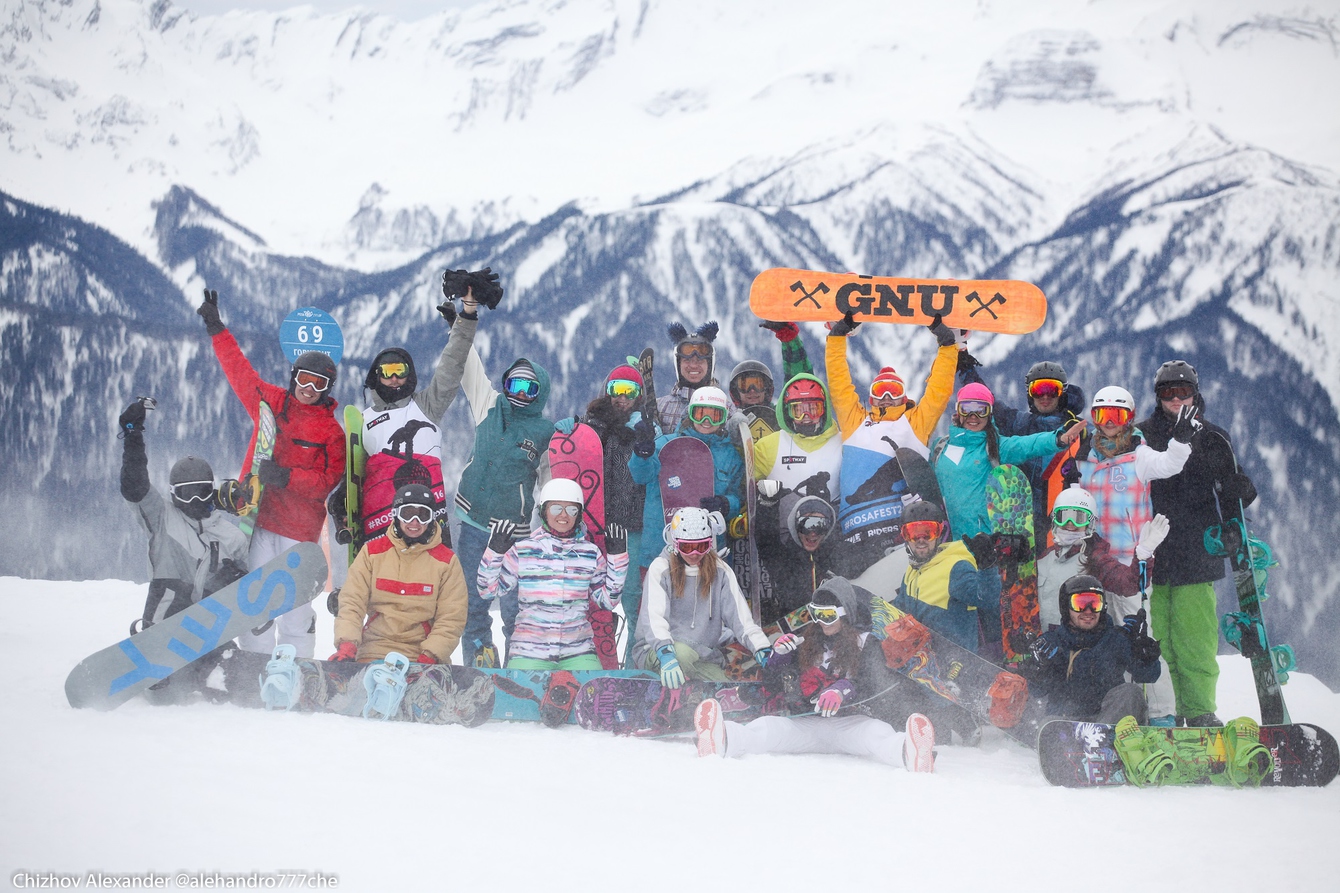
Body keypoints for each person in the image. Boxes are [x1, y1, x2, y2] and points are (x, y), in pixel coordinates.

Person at [197, 288, 346, 658]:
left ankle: (295, 671)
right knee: (255, 603)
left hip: (300, 531)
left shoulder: (332, 433)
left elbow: (327, 483)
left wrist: (286, 476)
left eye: (319, 384)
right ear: (294, 376)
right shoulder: (272, 403)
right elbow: (239, 373)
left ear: (328, 389)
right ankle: (254, 667)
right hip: (259, 522)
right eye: (304, 379)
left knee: (295, 610)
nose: (309, 389)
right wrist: (218, 330)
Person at [692, 576, 937, 772]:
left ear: (845, 613)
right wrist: (779, 658)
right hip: (806, 724)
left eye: (828, 615)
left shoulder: (866, 643)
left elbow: (873, 686)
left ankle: (910, 751)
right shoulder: (807, 641)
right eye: (815, 614)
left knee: (876, 734)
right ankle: (720, 739)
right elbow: (776, 686)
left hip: (848, 724)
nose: (821, 622)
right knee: (766, 729)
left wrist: (843, 689)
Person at [1137, 360, 1257, 728]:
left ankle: (1199, 709)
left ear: (1195, 393)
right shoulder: (1142, 436)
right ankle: (1163, 710)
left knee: (1195, 641)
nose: (1176, 399)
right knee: (1156, 641)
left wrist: (1240, 500)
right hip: (1152, 551)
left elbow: (1230, 488)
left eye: (1182, 391)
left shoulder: (1213, 438)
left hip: (1197, 551)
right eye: (1167, 392)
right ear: (1157, 398)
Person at [932, 382, 1082, 653]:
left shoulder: (995, 447)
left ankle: (1001, 664)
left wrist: (1057, 439)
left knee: (991, 610)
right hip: (952, 547)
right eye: (967, 410)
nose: (974, 417)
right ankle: (964, 665)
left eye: (982, 410)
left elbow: (1028, 444)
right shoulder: (941, 447)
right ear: (957, 413)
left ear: (990, 414)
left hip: (986, 547)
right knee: (961, 611)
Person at [339, 275, 488, 548]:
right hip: (380, 521)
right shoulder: (364, 420)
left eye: (400, 371)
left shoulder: (425, 406)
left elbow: (452, 364)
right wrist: (343, 503)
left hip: (427, 517)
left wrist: (466, 316)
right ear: (376, 376)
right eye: (387, 372)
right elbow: (352, 473)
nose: (394, 379)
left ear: (410, 375)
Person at [116, 399, 250, 697]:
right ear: (173, 495)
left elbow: (251, 591)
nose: (194, 502)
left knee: (232, 681)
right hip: (169, 619)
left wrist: (237, 579)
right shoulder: (162, 517)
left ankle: (218, 672)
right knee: (166, 693)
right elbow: (134, 486)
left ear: (211, 491)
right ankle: (159, 663)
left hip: (209, 625)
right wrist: (133, 436)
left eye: (201, 492)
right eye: (185, 494)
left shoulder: (231, 536)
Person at [826, 313, 959, 575]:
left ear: (904, 397)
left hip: (902, 533)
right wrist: (836, 339)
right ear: (871, 398)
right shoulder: (855, 422)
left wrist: (947, 346)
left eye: (894, 393)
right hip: (857, 534)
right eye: (880, 393)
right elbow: (839, 385)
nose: (886, 398)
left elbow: (939, 390)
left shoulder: (916, 423)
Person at [453, 333, 556, 668]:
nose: (520, 395)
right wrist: (461, 324)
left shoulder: (544, 431)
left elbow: (550, 483)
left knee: (516, 608)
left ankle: (519, 667)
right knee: (472, 604)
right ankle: (479, 663)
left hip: (515, 533)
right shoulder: (490, 405)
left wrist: (557, 521)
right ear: (505, 386)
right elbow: (469, 367)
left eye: (529, 389)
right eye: (515, 386)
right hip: (474, 523)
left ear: (541, 393)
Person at [553, 361, 658, 663]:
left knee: (635, 599)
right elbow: (576, 458)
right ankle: (594, 659)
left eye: (629, 391)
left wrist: (647, 439)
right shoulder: (593, 426)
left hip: (632, 527)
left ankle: (636, 663)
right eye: (616, 389)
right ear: (607, 391)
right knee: (594, 599)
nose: (621, 397)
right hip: (594, 526)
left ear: (639, 395)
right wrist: (569, 434)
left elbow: (649, 473)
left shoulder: (645, 430)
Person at [476, 478, 628, 670]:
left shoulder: (589, 553)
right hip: (530, 650)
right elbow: (487, 591)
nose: (563, 515)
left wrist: (617, 559)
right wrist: (494, 553)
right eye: (556, 508)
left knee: (590, 695)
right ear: (543, 511)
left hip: (577, 650)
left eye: (572, 510)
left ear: (579, 514)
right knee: (523, 696)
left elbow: (607, 601)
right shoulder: (524, 550)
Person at [632, 507, 772, 685]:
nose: (694, 553)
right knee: (682, 654)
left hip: (702, 654)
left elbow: (741, 619)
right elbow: (654, 617)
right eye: (687, 547)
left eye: (701, 546)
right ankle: (670, 698)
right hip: (658, 651)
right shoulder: (661, 569)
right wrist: (665, 654)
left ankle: (694, 702)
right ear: (675, 543)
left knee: (722, 688)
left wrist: (761, 647)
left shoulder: (720, 571)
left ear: (710, 543)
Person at [959, 359, 1086, 553]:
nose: (1045, 396)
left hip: (1064, 517)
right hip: (1023, 519)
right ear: (1029, 393)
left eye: (1052, 389)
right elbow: (987, 401)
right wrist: (966, 368)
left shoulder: (1078, 430)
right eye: (1038, 390)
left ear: (1062, 393)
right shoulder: (1019, 424)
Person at [1056, 385, 1191, 567]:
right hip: (1087, 556)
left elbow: (1170, 464)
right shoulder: (1083, 455)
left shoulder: (1139, 455)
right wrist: (1070, 483)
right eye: (1102, 415)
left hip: (1128, 557)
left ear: (1129, 418)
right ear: (1094, 419)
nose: (1109, 422)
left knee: (1128, 596)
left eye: (1117, 416)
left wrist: (1180, 442)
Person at [331, 483, 467, 664]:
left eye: (423, 515)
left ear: (432, 519)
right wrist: (347, 643)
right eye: (408, 514)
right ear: (396, 515)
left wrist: (430, 656)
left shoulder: (446, 562)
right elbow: (352, 602)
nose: (415, 522)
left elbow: (451, 618)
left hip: (420, 654)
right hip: (375, 649)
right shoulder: (372, 552)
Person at [628, 386, 744, 580]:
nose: (706, 422)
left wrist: (726, 504)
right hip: (661, 547)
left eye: (714, 416)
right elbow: (641, 476)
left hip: (708, 551)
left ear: (724, 419)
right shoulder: (665, 445)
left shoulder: (730, 455)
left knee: (707, 609)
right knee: (658, 608)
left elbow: (738, 498)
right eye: (700, 414)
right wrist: (642, 453)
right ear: (690, 414)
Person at [1026, 575, 1162, 725]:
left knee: (1131, 692)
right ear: (1066, 607)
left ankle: (1105, 739)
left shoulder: (1115, 639)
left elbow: (1148, 676)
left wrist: (1145, 656)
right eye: (1080, 604)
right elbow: (1036, 692)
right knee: (1050, 720)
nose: (1088, 611)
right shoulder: (1053, 643)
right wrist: (1038, 671)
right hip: (1068, 723)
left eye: (1095, 603)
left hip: (1108, 721)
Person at [1037, 486, 1170, 629]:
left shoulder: (1095, 558)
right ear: (1054, 520)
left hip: (1082, 645)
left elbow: (1130, 584)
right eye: (1063, 517)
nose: (1070, 524)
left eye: (1079, 518)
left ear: (1090, 524)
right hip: (1048, 642)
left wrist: (1143, 554)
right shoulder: (1046, 557)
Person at [752, 372, 843, 540]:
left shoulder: (842, 442)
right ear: (787, 412)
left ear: (824, 410)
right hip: (784, 542)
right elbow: (745, 486)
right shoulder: (768, 446)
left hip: (831, 537)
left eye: (813, 409)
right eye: (798, 410)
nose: (806, 417)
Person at [890, 500, 983, 652]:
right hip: (925, 663)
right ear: (904, 537)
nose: (921, 539)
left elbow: (986, 598)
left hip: (958, 665)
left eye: (928, 532)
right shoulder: (912, 571)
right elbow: (899, 610)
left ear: (940, 533)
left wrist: (987, 568)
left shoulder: (956, 567)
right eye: (913, 533)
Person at [753, 492, 839, 625]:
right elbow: (766, 539)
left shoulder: (834, 554)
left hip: (828, 626)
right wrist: (767, 504)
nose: (813, 533)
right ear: (795, 526)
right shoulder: (783, 557)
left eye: (821, 525)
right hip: (794, 628)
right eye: (806, 525)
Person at [656, 321, 720, 433]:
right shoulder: (659, 407)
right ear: (678, 364)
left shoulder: (725, 409)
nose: (694, 365)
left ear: (710, 365)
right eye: (687, 360)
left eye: (700, 360)